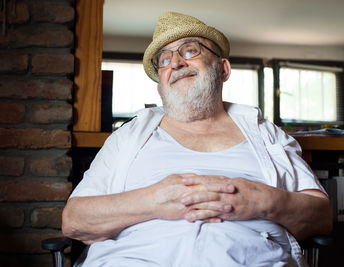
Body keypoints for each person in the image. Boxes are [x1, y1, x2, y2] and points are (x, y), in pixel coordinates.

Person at [62, 12, 333, 266]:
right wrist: (154, 200)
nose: (176, 63)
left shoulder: (267, 134)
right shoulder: (128, 137)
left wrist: (262, 201)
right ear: (160, 84)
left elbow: (321, 217)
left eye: (190, 50)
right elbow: (74, 220)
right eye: (164, 60)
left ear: (223, 69)